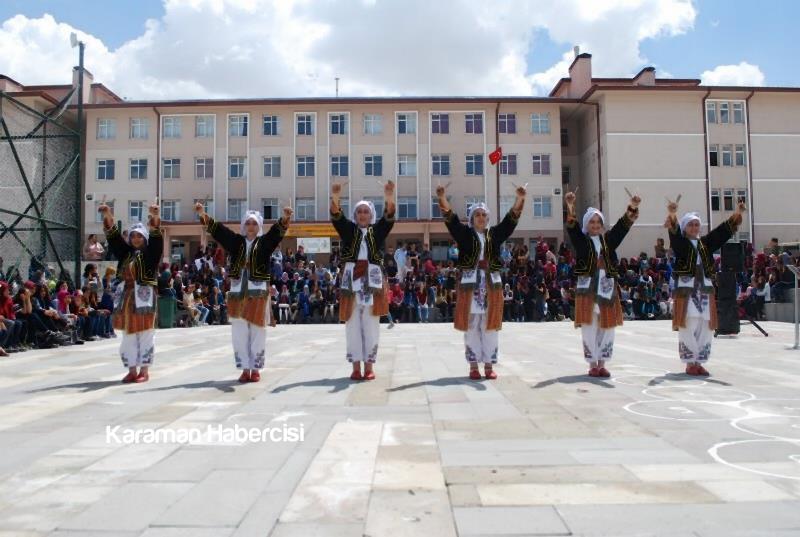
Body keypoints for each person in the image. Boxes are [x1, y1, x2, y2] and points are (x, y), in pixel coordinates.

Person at [437, 182, 525, 380]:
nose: (481, 218)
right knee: (472, 325)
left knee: (490, 325)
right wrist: (442, 197)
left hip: (492, 284)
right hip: (470, 285)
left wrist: (519, 199)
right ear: (471, 218)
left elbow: (510, 222)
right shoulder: (465, 235)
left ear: (488, 218)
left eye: (484, 215)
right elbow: (451, 222)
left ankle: (489, 365)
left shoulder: (494, 234)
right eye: (477, 215)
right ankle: (473, 366)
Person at [196, 202, 292, 382]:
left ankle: (255, 368)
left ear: (259, 226)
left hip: (258, 291)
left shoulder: (265, 243)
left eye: (254, 223)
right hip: (237, 290)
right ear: (243, 225)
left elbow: (276, 234)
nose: (251, 227)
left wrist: (285, 218)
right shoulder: (236, 242)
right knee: (239, 331)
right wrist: (203, 214)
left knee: (257, 330)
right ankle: (244, 368)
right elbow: (220, 231)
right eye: (248, 223)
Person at [564, 189, 641, 378]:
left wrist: (633, 207)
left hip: (606, 288)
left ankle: (602, 363)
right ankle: (592, 364)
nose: (595, 225)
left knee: (607, 326)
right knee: (589, 327)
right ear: (586, 225)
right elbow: (572, 227)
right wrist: (570, 205)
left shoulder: (608, 241)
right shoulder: (581, 242)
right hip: (587, 288)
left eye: (598, 222)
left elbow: (622, 227)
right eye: (591, 221)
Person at [666, 197, 744, 376]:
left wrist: (738, 213)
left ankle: (699, 361)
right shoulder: (681, 244)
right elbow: (674, 234)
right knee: (688, 323)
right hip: (687, 291)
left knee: (706, 326)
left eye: (696, 224)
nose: (694, 228)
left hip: (705, 291)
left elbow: (722, 232)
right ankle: (690, 362)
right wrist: (672, 213)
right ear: (685, 228)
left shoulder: (705, 244)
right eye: (690, 225)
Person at [330, 179, 395, 381]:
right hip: (351, 282)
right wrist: (335, 195)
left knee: (371, 325)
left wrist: (389, 196)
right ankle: (355, 367)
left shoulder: (378, 231)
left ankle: (369, 366)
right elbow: (337, 217)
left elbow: (389, 217)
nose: (363, 215)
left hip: (373, 282)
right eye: (359, 212)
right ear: (355, 215)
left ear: (371, 215)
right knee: (352, 325)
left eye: (366, 212)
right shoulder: (349, 230)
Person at [99, 198, 162, 383]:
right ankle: (131, 370)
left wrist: (155, 216)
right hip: (127, 298)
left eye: (139, 236)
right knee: (128, 334)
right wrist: (108, 214)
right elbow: (113, 237)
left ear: (144, 238)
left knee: (145, 334)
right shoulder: (125, 253)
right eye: (133, 236)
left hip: (145, 298)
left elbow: (157, 239)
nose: (135, 239)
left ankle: (144, 370)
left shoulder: (151, 254)